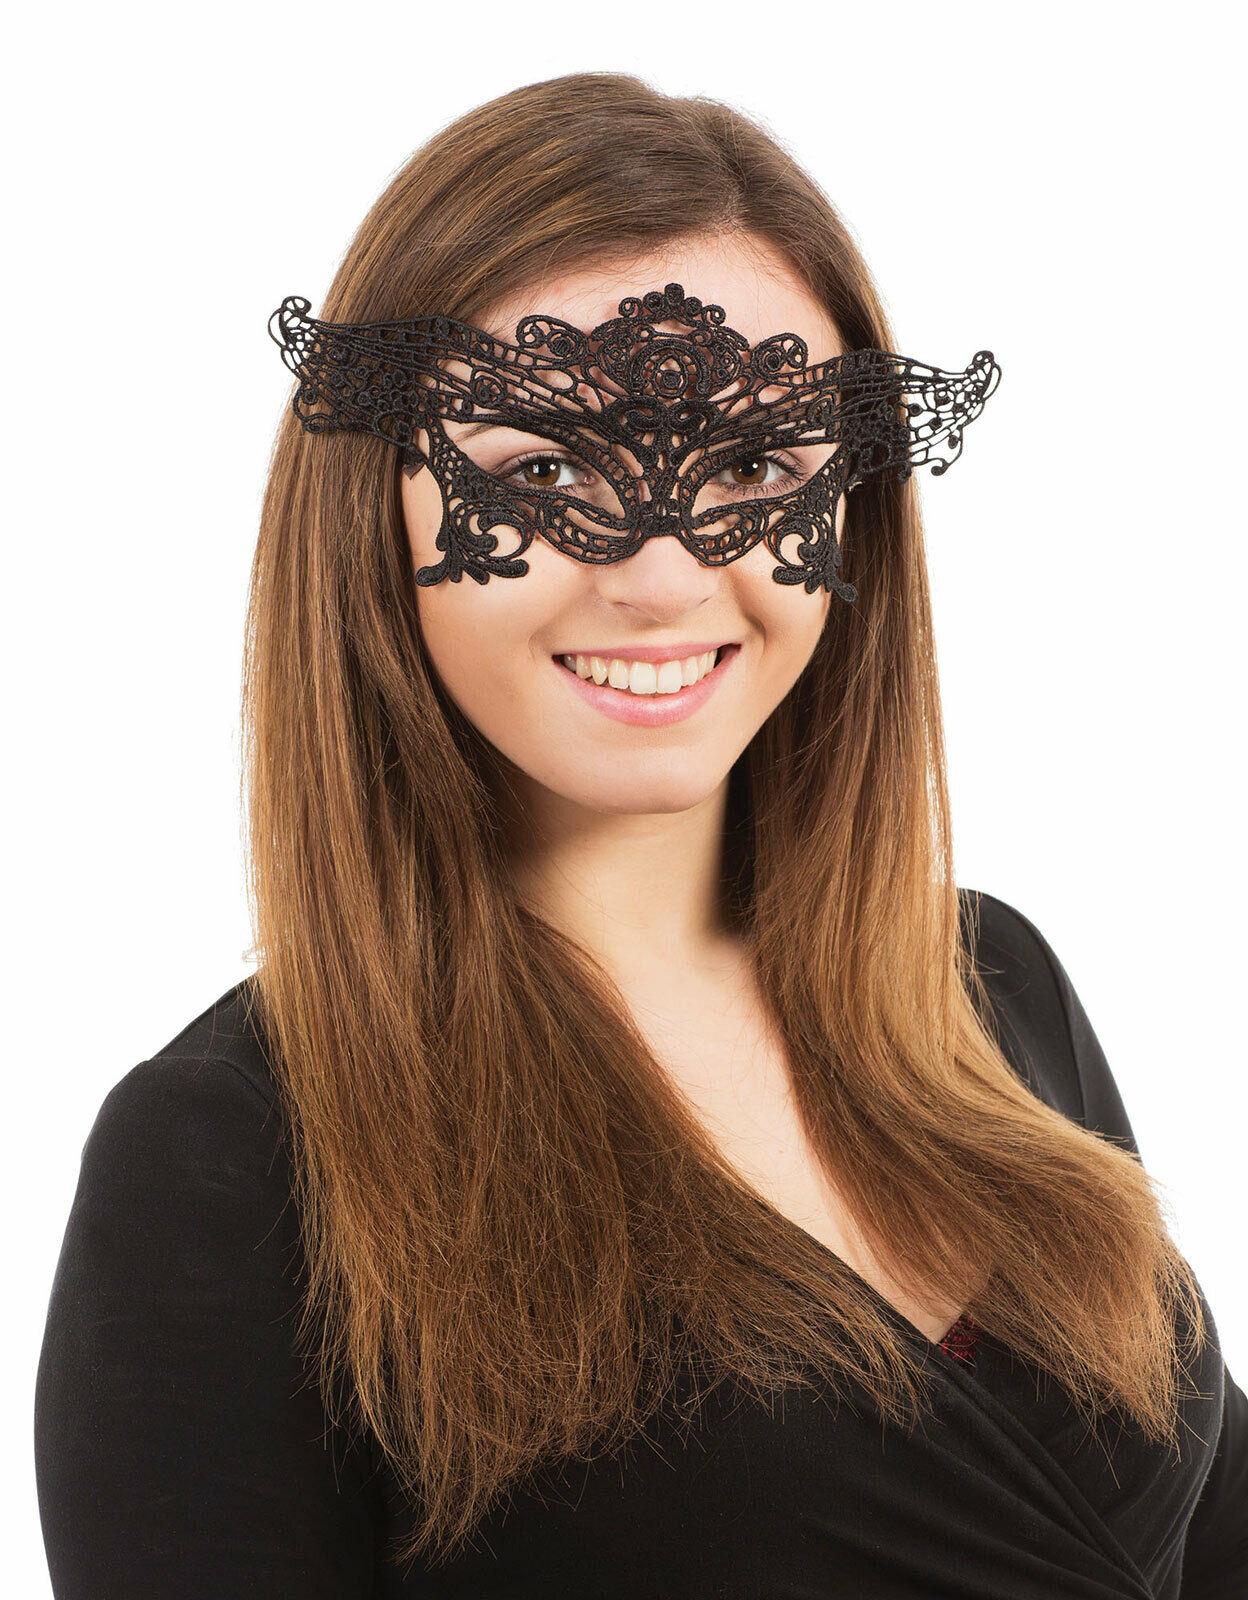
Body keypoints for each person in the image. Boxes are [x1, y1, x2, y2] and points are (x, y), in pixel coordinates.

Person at [34, 71, 1246, 1598]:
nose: (666, 578)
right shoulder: (227, 1163)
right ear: (371, 516)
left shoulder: (985, 985)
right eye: (544, 473)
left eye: (753, 468)